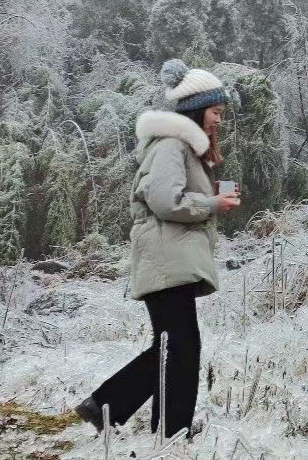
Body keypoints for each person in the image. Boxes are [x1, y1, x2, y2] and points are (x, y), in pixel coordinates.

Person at [74, 58, 241, 440]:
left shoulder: (182, 149)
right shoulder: (170, 145)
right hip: (167, 261)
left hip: (173, 260)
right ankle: (160, 427)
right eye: (216, 111)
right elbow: (166, 201)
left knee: (175, 348)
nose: (219, 120)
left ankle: (120, 411)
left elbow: (172, 197)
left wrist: (210, 200)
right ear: (196, 110)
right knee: (179, 348)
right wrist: (211, 205)